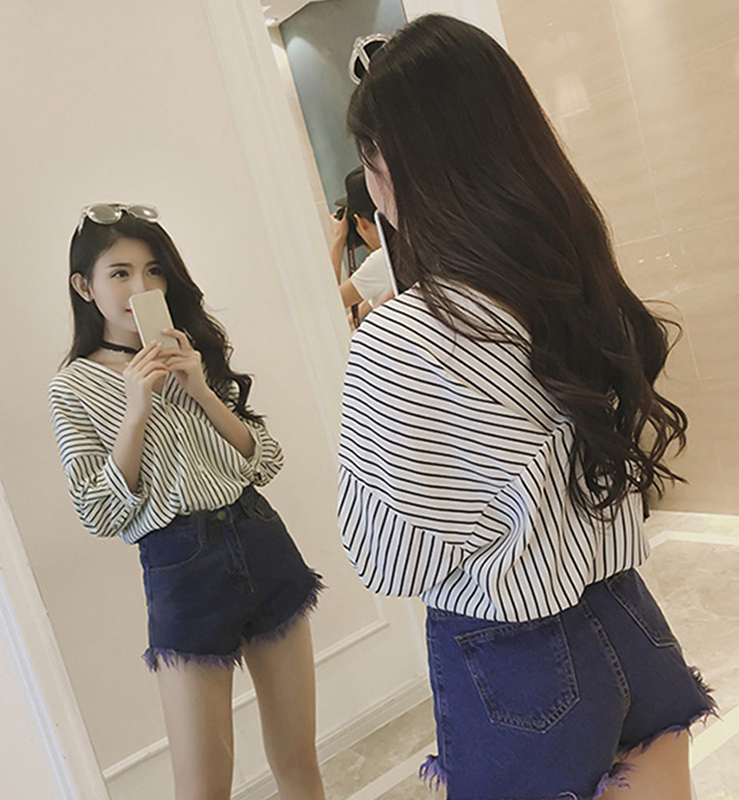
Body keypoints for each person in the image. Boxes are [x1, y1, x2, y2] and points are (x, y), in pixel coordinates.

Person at [338, 16, 715, 800]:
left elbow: (386, 558)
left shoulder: (404, 336)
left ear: (399, 170)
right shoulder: (572, 281)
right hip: (629, 619)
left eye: (371, 160)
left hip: (516, 670)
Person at [48, 203, 326, 800]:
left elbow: (265, 461)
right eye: (119, 273)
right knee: (202, 788)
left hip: (259, 537)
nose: (140, 288)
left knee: (298, 759)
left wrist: (199, 387)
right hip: (182, 566)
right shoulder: (72, 387)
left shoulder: (193, 351)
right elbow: (97, 511)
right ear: (84, 286)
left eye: (153, 271)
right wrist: (136, 411)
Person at [330, 166, 394, 322]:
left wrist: (338, 240)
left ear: (361, 222)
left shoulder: (381, 259)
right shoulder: (411, 245)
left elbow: (328, 304)